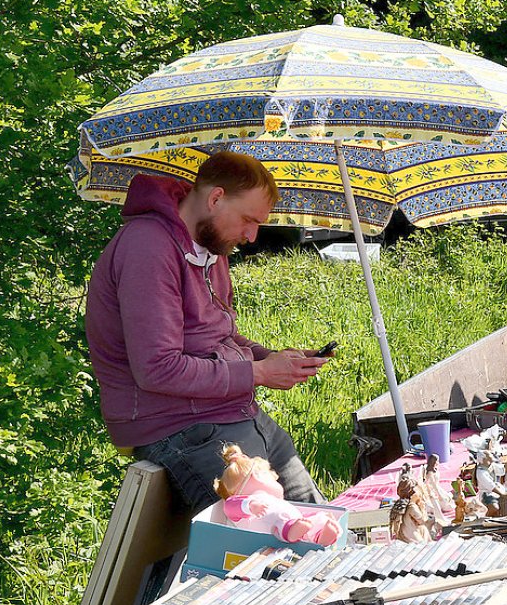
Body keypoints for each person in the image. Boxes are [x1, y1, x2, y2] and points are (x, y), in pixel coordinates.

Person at [85, 151, 331, 514]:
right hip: (179, 426)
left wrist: (271, 358)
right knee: (265, 536)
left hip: (231, 414)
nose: (251, 236)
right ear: (215, 198)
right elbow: (157, 368)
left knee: (318, 519)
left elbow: (221, 336)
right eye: (248, 220)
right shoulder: (148, 248)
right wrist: (258, 373)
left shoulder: (211, 247)